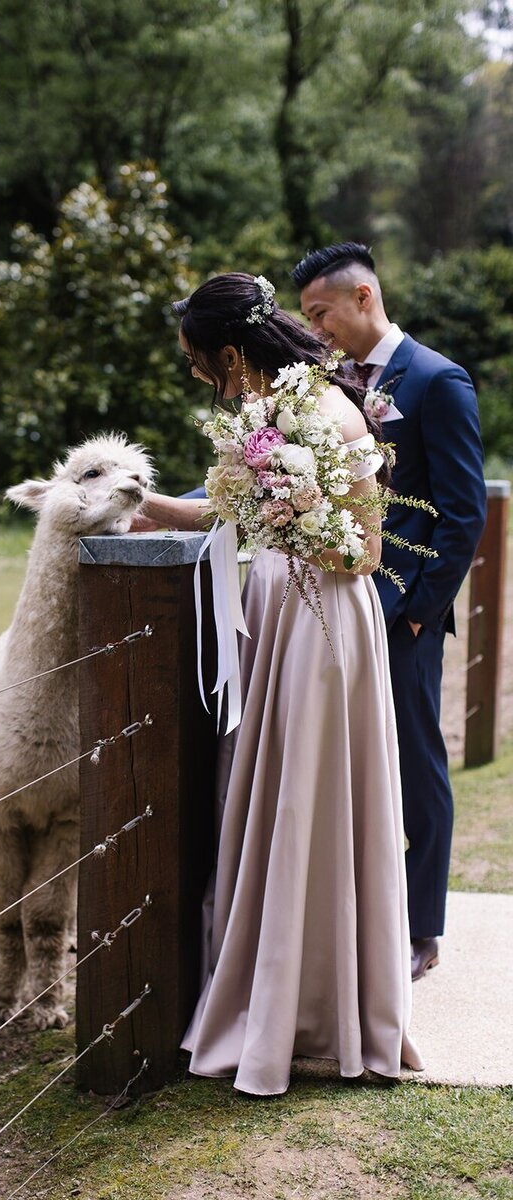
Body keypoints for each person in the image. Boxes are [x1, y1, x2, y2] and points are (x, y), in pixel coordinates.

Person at [137, 272, 422, 1096]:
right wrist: (145, 506)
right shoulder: (267, 415)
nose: (200, 380)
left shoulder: (328, 413)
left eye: (200, 365)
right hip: (281, 619)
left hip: (324, 626)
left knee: (310, 802)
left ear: (232, 353)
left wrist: (287, 516)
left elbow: (362, 550)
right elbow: (236, 514)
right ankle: (279, 994)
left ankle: (324, 1010)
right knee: (275, 798)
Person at [292, 243, 486, 982]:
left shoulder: (438, 381)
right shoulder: (329, 384)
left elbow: (463, 515)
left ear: (364, 297)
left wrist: (415, 612)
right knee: (349, 763)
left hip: (403, 614)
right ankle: (357, 913)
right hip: (339, 604)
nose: (318, 328)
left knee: (415, 765)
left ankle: (422, 928)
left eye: (321, 313)